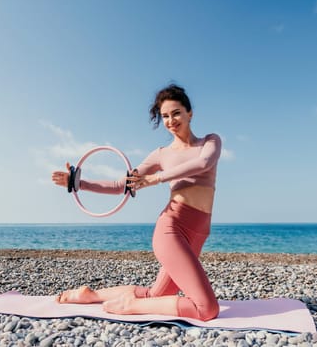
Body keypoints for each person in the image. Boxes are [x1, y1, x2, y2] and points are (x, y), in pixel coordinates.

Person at [51, 84, 222, 321]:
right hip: (172, 228)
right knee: (207, 309)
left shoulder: (210, 142)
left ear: (189, 113)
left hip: (199, 231)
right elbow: (122, 185)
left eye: (176, 113)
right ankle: (130, 305)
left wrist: (156, 178)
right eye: (165, 116)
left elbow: (204, 164)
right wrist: (80, 183)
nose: (171, 120)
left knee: (155, 294)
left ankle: (91, 295)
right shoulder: (161, 154)